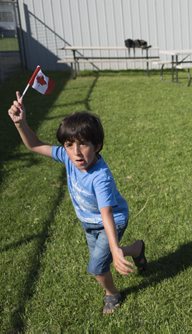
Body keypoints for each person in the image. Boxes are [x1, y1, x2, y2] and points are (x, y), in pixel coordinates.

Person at [7, 92, 147, 314]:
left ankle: (112, 294)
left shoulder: (100, 176)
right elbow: (34, 145)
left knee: (97, 267)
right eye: (69, 144)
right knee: (106, 257)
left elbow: (107, 213)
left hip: (111, 221)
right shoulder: (66, 156)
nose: (76, 152)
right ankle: (136, 249)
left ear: (98, 145)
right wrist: (21, 123)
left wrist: (113, 245)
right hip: (89, 223)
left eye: (83, 144)